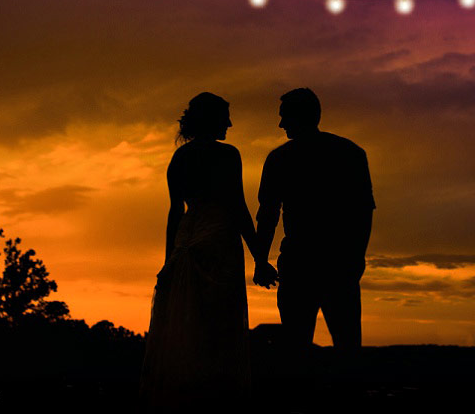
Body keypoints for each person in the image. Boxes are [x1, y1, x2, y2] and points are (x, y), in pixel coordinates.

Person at [139, 92, 277, 411]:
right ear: (212, 119)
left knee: (188, 325)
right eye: (225, 116)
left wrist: (167, 262)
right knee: (219, 327)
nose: (229, 123)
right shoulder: (228, 155)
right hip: (217, 241)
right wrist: (260, 258)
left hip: (187, 239)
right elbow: (239, 208)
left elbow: (175, 213)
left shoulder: (179, 159)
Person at [253, 88, 374, 350]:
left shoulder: (279, 158)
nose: (281, 123)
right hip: (337, 263)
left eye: (285, 116)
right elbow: (363, 213)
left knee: (298, 349)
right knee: (347, 346)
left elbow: (268, 216)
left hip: (302, 264)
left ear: (301, 116)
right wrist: (356, 258)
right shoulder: (351, 153)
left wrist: (261, 261)